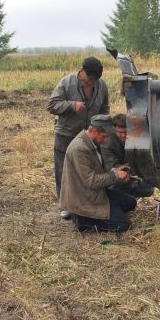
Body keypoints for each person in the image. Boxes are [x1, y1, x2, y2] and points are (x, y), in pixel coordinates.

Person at [47, 56, 110, 219]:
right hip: (66, 134)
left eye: (94, 81)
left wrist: (102, 128)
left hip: (90, 137)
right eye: (89, 80)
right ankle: (66, 205)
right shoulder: (66, 83)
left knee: (90, 169)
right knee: (63, 170)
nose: (91, 84)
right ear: (81, 71)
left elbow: (105, 108)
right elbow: (52, 105)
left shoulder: (101, 86)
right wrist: (71, 105)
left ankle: (87, 201)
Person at [59, 115, 134, 232]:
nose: (106, 140)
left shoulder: (91, 142)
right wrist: (115, 175)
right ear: (94, 131)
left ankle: (106, 212)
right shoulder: (80, 148)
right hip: (83, 199)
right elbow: (91, 181)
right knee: (123, 225)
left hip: (95, 193)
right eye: (104, 136)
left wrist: (117, 170)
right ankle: (83, 220)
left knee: (131, 203)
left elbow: (98, 171)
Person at [101, 113, 154, 198]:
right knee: (115, 185)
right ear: (114, 129)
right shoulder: (107, 143)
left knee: (149, 190)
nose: (123, 135)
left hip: (131, 173)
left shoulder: (136, 136)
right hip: (113, 176)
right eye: (120, 132)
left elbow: (144, 160)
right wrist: (129, 168)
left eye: (126, 132)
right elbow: (112, 167)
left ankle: (127, 196)